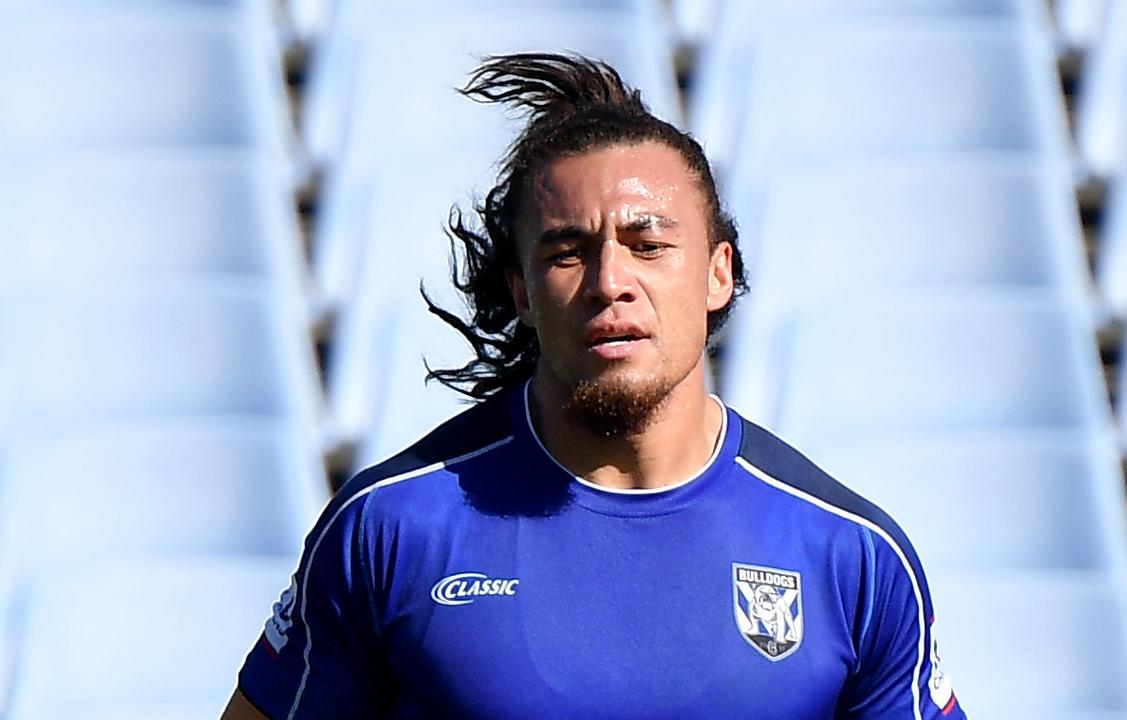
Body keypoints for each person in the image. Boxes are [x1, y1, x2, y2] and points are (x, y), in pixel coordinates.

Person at [224, 52, 965, 719]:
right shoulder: (391, 529)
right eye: (569, 252)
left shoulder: (852, 556)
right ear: (520, 290)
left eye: (648, 246)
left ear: (719, 272)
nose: (611, 282)